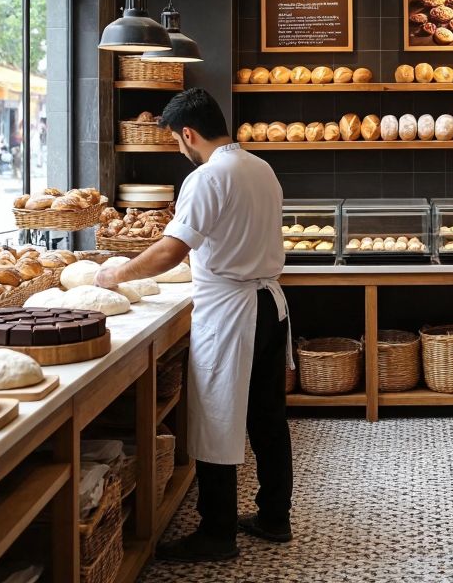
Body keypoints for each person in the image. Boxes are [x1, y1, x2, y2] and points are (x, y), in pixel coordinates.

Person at [93, 88, 292, 562]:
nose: (181, 151)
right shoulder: (259, 167)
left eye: (178, 142)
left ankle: (217, 533)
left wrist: (115, 272)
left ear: (188, 134)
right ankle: (274, 516)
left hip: (230, 311)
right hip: (269, 306)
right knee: (267, 418)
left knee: (217, 417)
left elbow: (171, 249)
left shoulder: (207, 178)